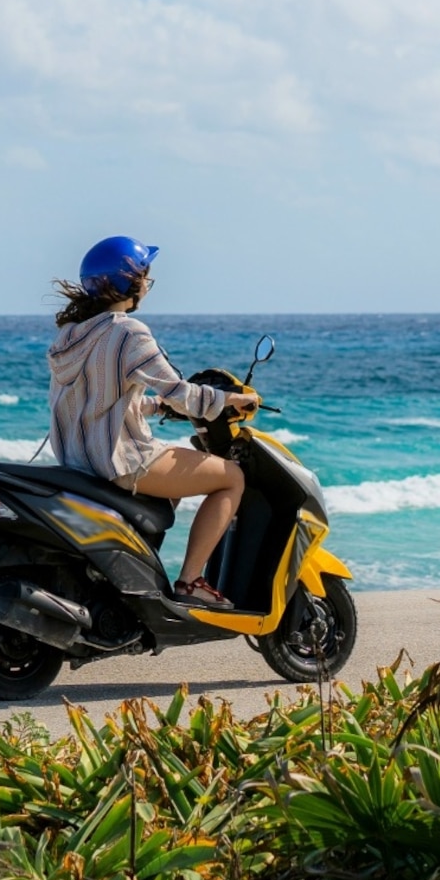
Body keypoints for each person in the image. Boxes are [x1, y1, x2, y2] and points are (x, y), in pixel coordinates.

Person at [47, 236, 254, 610]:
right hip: (120, 463)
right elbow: (181, 391)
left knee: (173, 484)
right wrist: (230, 400)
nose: (147, 284)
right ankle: (191, 581)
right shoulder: (127, 332)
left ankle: (137, 575)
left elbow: (99, 401)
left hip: (77, 463)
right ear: (131, 282)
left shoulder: (70, 336)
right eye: (146, 276)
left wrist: (154, 407)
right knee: (231, 478)